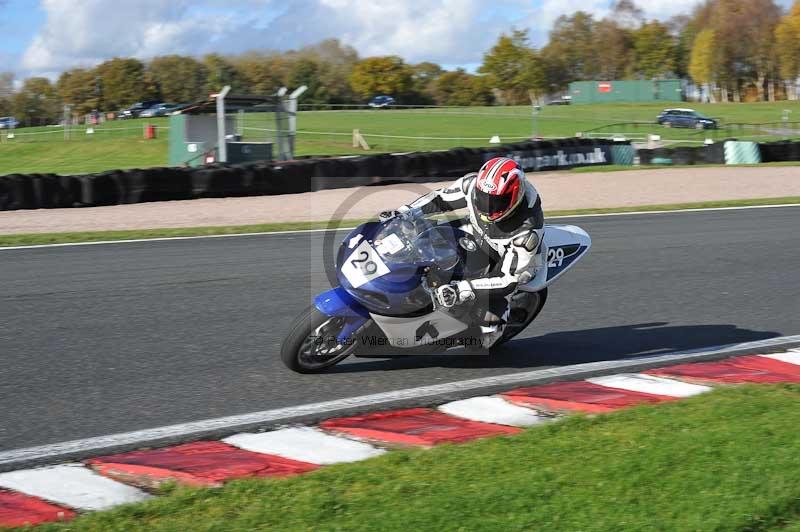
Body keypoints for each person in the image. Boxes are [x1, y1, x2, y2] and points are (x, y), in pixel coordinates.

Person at [380, 157, 546, 348]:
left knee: (487, 335)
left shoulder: (526, 232)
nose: (487, 206)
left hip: (505, 262)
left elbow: (508, 280)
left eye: (496, 201)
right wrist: (407, 212)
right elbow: (441, 198)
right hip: (475, 233)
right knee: (421, 240)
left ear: (514, 196)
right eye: (483, 198)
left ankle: (465, 331)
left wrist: (461, 290)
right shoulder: (472, 185)